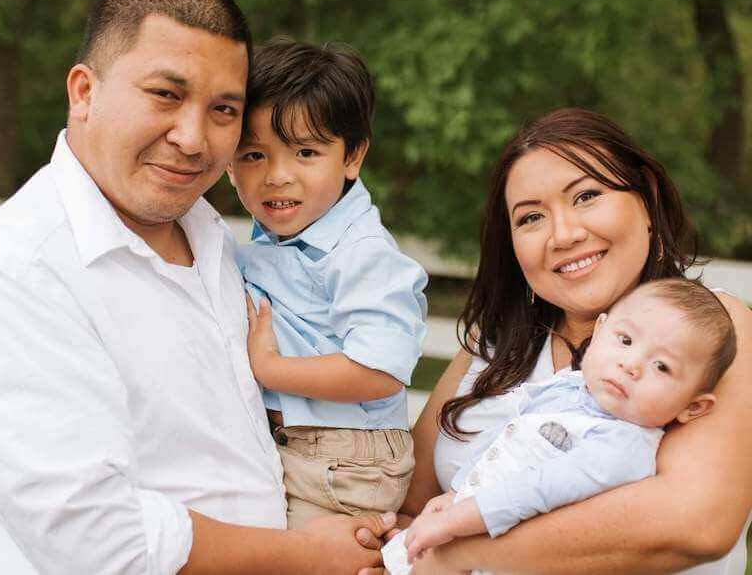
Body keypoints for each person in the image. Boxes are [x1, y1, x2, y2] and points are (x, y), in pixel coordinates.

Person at [0, 0, 395, 574]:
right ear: (84, 91)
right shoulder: (18, 268)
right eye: (165, 95)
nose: (193, 137)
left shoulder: (220, 240)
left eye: (224, 110)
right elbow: (93, 536)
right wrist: (303, 556)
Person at [356, 107, 752, 575]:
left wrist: (457, 551)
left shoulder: (716, 330)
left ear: (645, 198)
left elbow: (696, 522)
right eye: (530, 218)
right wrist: (388, 540)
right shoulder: (497, 338)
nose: (563, 234)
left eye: (586, 195)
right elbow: (414, 503)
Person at [382, 278, 736, 574]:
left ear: (693, 407)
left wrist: (458, 518)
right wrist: (455, 496)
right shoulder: (571, 388)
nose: (632, 365)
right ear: (600, 331)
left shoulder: (622, 445)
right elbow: (508, 443)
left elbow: (541, 488)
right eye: (625, 341)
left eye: (662, 367)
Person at [226, 39, 426, 530]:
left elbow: (379, 370)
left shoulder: (361, 254)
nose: (277, 176)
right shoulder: (267, 242)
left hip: (346, 459)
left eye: (306, 152)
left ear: (352, 157)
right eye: (253, 155)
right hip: (303, 446)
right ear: (227, 164)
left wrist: (271, 369)